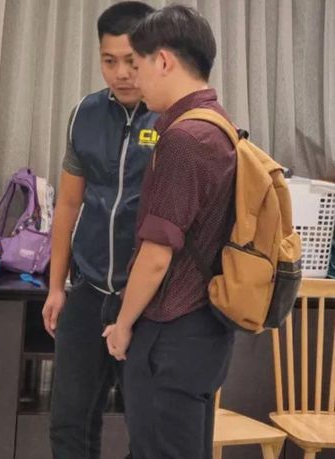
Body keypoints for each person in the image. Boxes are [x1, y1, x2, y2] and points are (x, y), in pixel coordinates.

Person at [103, 5, 236, 458]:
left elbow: (157, 255)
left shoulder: (184, 139)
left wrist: (123, 325)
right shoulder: (219, 125)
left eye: (137, 66)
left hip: (171, 332)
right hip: (204, 330)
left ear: (163, 61)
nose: (133, 79)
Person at [41, 2, 157, 457]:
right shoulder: (85, 114)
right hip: (88, 290)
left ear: (154, 56)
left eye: (131, 60)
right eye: (110, 60)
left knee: (147, 431)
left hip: (148, 299)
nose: (121, 73)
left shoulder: (171, 118)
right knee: (69, 423)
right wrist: (56, 287)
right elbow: (69, 204)